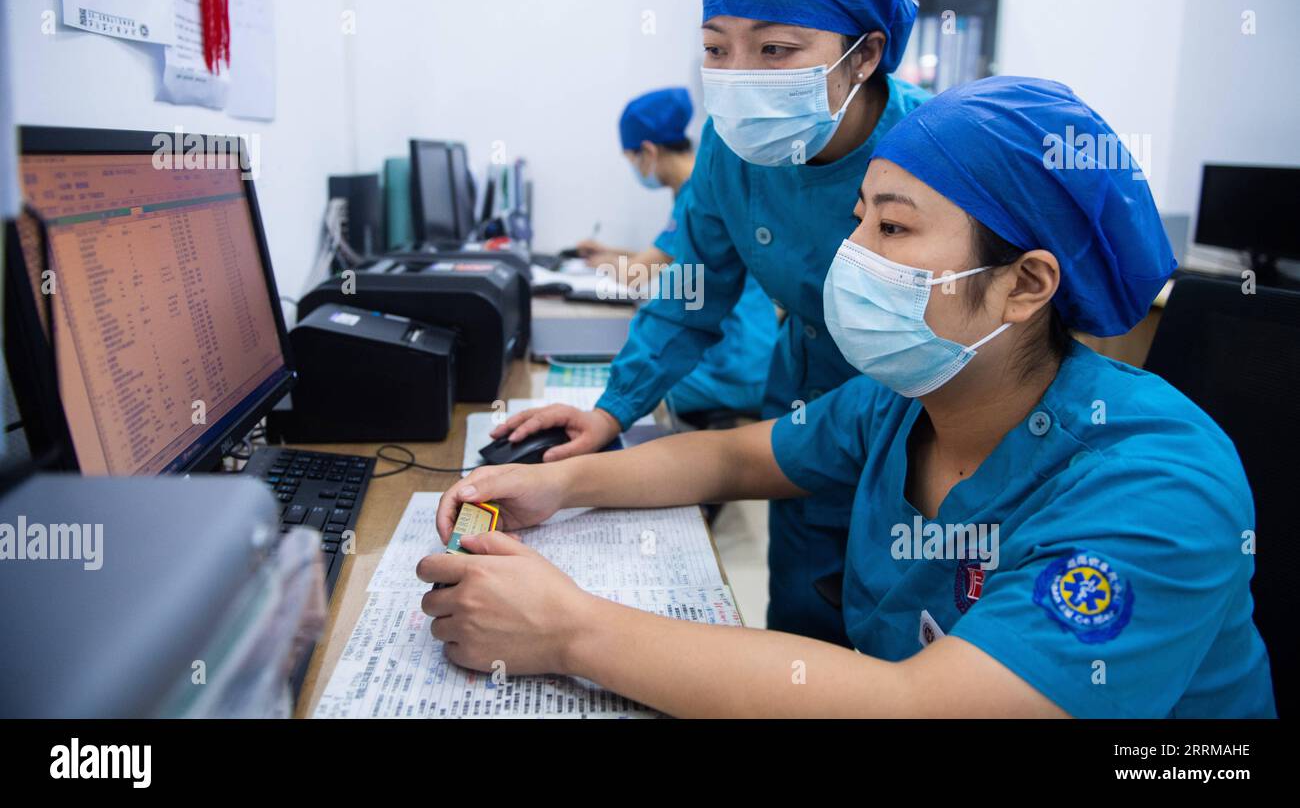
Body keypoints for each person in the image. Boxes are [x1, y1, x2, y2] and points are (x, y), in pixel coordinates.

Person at [416, 77, 1275, 718]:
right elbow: (734, 454)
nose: (848, 255)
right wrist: (562, 482)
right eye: (858, 219)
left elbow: (920, 706)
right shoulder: (906, 400)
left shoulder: (1160, 485)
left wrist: (566, 630)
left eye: (892, 228)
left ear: (1025, 285)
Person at [490, 0, 931, 646]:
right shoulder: (732, 153)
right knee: (804, 630)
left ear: (865, 53)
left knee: (918, 633)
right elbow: (687, 293)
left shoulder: (935, 149)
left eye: (775, 49)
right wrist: (610, 411)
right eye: (716, 47)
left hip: (932, 423)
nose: (740, 75)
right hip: (802, 411)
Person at [575, 87, 778, 421]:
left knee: (623, 387)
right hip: (749, 353)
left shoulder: (696, 195)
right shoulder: (697, 187)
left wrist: (603, 264)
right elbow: (674, 254)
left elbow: (635, 273)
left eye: (632, 160)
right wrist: (609, 252)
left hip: (734, 367)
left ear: (648, 151)